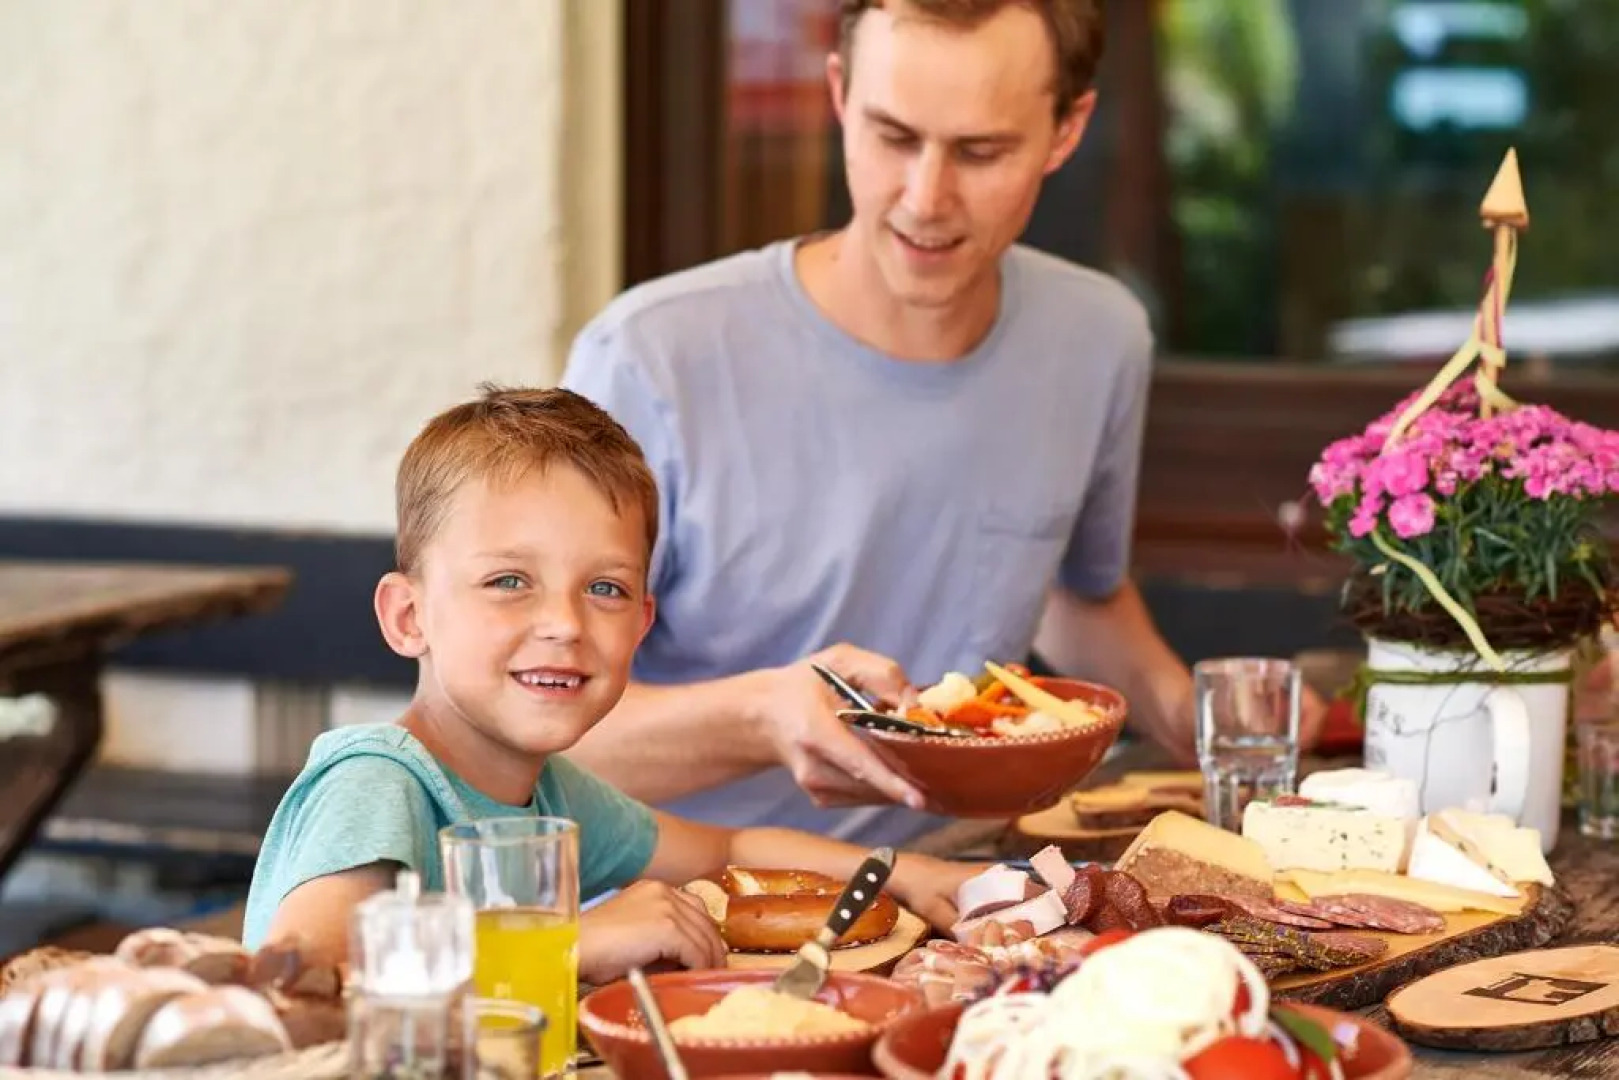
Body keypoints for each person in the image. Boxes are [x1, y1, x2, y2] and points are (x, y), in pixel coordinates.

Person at [559, 0, 1324, 847]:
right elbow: (526, 731)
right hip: (703, 909)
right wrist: (760, 717)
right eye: (893, 137)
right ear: (840, 95)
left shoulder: (1098, 336)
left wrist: (1204, 718)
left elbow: (1076, 594)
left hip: (980, 886)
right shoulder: (650, 358)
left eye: (979, 151)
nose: (926, 198)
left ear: (1067, 130)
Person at [241, 386, 978, 984]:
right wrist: (564, 944)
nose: (564, 622)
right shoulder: (378, 779)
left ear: (641, 623)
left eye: (604, 588)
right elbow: (308, 974)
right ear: (409, 616)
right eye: (508, 581)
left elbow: (729, 849)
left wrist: (906, 871)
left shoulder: (552, 796)